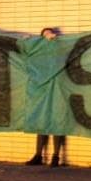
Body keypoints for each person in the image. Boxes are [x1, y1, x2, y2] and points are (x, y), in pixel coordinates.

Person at [25, 27, 67, 167]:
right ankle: (38, 155)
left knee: (56, 125)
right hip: (43, 93)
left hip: (57, 91)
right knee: (41, 124)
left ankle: (55, 156)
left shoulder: (59, 51)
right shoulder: (40, 54)